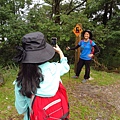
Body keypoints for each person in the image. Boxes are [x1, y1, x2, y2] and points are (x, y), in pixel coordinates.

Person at [13, 32, 70, 120]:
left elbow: (21, 109)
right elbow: (66, 67)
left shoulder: (21, 82)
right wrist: (60, 52)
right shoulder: (55, 68)